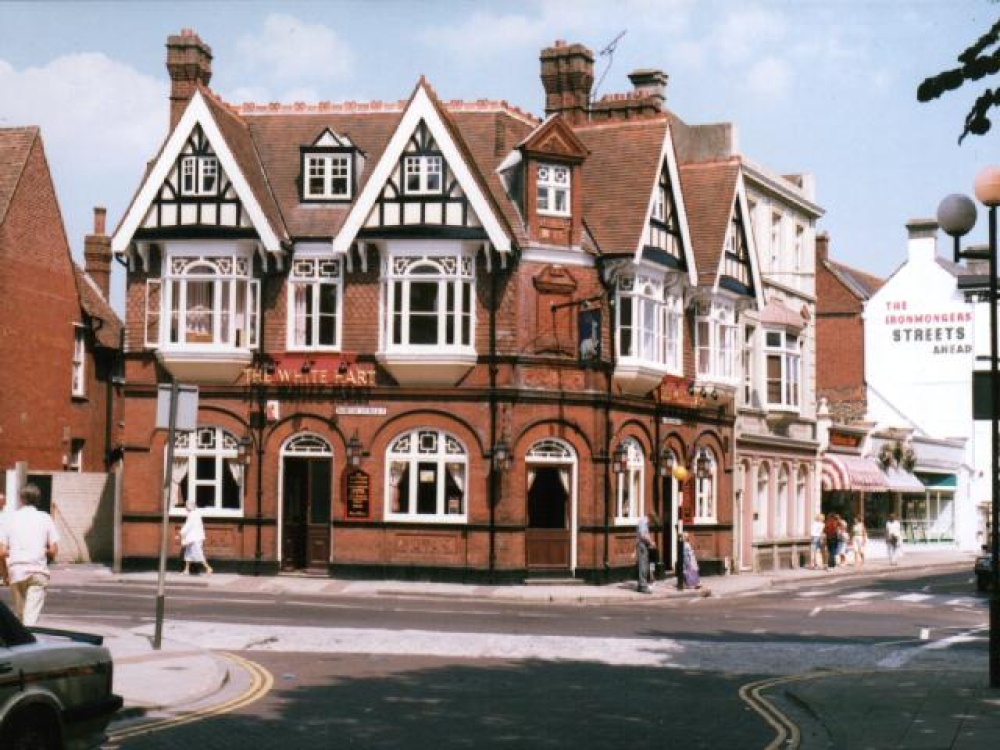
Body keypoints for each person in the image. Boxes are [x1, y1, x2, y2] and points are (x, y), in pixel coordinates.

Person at [0, 484, 59, 625]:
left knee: (20, 616)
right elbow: (54, 550)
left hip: (16, 571)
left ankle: (20, 643)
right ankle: (30, 642)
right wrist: (43, 551)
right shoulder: (45, 518)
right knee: (30, 618)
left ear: (21, 499)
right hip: (38, 571)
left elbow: (1, 552)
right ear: (38, 500)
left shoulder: (9, 518)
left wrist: (5, 574)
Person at [179, 501, 213, 575]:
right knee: (188, 553)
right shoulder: (196, 514)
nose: (185, 507)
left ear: (189, 507)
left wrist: (181, 532)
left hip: (195, 538)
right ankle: (186, 570)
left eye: (186, 506)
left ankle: (208, 568)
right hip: (195, 537)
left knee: (198, 553)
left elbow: (188, 525)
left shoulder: (192, 515)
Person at [635, 513, 654, 593]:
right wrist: (651, 542)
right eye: (651, 521)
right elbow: (643, 535)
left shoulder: (644, 523)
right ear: (650, 518)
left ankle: (640, 585)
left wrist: (651, 542)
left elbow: (646, 534)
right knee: (643, 565)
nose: (651, 523)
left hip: (643, 545)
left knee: (643, 565)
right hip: (642, 546)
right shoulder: (643, 523)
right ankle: (643, 586)